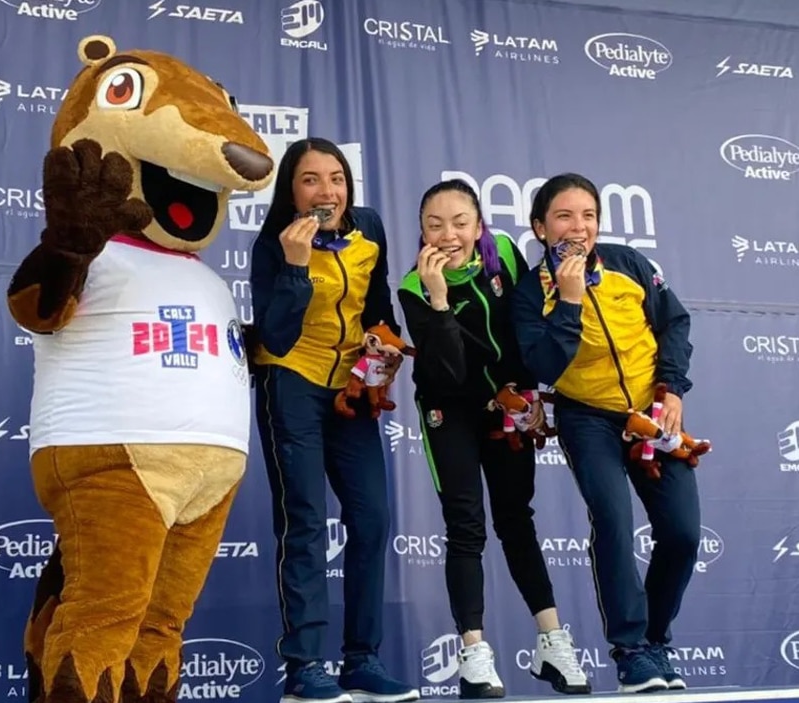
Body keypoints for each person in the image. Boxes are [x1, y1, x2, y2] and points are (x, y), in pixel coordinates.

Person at [397, 179, 591, 698]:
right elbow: (451, 371)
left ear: (479, 225)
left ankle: (552, 642)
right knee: (465, 526)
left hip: (506, 405)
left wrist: (527, 397)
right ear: (422, 232)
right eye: (435, 225)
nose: (449, 235)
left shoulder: (503, 252)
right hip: (449, 410)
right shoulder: (413, 286)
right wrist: (440, 300)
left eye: (460, 222)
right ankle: (474, 654)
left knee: (516, 518)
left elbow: (524, 329)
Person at [511, 173, 701, 694]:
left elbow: (674, 323)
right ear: (540, 227)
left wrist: (672, 390)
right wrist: (569, 301)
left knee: (683, 533)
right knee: (614, 521)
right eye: (564, 216)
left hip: (653, 411)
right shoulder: (529, 293)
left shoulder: (628, 263)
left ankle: (657, 639)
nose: (579, 227)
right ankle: (631, 650)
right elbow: (544, 365)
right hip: (587, 418)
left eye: (588, 216)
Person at [249, 137, 419, 703]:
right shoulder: (274, 244)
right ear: (291, 191)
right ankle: (305, 668)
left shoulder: (368, 228)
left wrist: (383, 342)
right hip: (290, 381)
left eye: (337, 178)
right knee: (304, 521)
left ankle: (361, 660)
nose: (327, 191)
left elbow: (378, 307)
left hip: (351, 388)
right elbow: (275, 336)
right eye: (311, 180)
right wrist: (297, 268)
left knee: (371, 519)